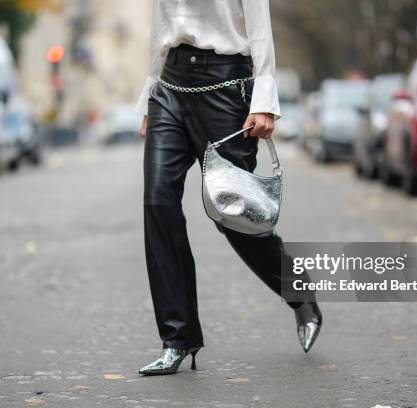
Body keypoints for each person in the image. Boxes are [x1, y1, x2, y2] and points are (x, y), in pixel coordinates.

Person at [135, 0, 322, 376]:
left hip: (225, 85)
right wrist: (149, 93)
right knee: (158, 202)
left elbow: (258, 22)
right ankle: (177, 337)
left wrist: (264, 96)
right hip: (169, 86)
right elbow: (161, 23)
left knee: (235, 215)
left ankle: (296, 288)